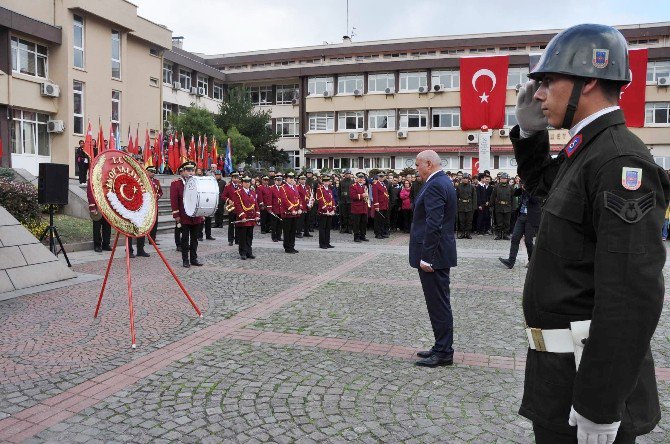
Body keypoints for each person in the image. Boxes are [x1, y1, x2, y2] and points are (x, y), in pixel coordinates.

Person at [511, 24, 670, 443]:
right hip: (560, 378)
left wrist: (600, 405)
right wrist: (530, 135)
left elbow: (631, 296)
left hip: (589, 386)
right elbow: (546, 189)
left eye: (548, 81)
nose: (538, 94)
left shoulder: (618, 159)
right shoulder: (586, 149)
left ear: (590, 79)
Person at [409, 150, 457, 367]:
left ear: (428, 163)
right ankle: (440, 346)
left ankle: (444, 352)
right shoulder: (442, 181)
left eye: (418, 165)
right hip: (438, 253)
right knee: (437, 303)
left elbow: (434, 223)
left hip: (434, 256)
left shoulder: (436, 184)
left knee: (438, 304)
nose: (416, 169)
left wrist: (427, 257)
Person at [170, 161, 204, 268]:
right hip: (184, 217)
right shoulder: (176, 183)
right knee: (185, 239)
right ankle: (185, 259)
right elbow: (174, 201)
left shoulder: (197, 182)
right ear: (182, 171)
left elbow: (201, 197)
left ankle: (194, 258)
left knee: (195, 239)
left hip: (196, 216)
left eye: (192, 170)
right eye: (188, 170)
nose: (190, 172)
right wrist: (176, 215)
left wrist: (202, 212)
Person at [498, 182, 540, 269]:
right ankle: (510, 261)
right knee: (515, 238)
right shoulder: (523, 189)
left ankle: (531, 261)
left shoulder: (537, 189)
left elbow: (535, 200)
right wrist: (521, 188)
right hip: (521, 216)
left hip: (531, 218)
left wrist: (527, 190)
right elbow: (514, 193)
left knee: (528, 241)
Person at [232, 176, 260, 260]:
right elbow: (237, 205)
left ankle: (249, 252)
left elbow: (256, 205)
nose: (247, 183)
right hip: (243, 219)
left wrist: (257, 215)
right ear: (242, 183)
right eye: (245, 182)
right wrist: (242, 216)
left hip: (251, 218)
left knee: (249, 236)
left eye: (248, 182)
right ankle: (243, 252)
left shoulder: (253, 193)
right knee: (242, 237)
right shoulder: (238, 193)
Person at [86, 180, 111, 253]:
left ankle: (106, 244)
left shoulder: (107, 175)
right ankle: (97, 245)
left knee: (107, 226)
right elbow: (90, 192)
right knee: (97, 226)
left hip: (107, 205)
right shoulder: (93, 175)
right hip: (97, 205)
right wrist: (92, 206)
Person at [279, 172, 301, 253]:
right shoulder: (283, 188)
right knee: (287, 231)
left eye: (292, 177)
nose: (291, 179)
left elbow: (298, 198)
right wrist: (292, 209)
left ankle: (292, 246)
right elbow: (284, 200)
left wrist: (300, 208)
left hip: (295, 213)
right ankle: (287, 247)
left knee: (293, 231)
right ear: (286, 179)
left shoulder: (295, 187)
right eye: (289, 177)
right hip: (287, 213)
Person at [488, 173, 512, 240]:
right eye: (502, 178)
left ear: (507, 179)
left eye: (505, 178)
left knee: (507, 222)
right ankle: (499, 234)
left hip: (508, 207)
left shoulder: (510, 187)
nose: (503, 179)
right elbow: (493, 196)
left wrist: (513, 207)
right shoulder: (496, 187)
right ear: (500, 179)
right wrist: (491, 205)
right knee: (499, 222)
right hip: (499, 206)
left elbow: (512, 197)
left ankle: (505, 234)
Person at [315, 175, 336, 249]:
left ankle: (327, 243)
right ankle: (322, 243)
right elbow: (320, 200)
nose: (326, 183)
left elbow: (332, 200)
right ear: (323, 182)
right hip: (323, 211)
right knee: (322, 228)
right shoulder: (320, 189)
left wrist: (333, 209)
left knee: (328, 228)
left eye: (328, 181)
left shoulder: (330, 190)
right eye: (325, 181)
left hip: (330, 211)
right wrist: (326, 209)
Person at [455, 173, 477, 239]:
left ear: (468, 179)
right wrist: (456, 205)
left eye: (466, 178)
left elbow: (474, 197)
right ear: (462, 179)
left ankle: (468, 233)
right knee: (462, 221)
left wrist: (474, 207)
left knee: (469, 221)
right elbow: (456, 196)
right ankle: (462, 233)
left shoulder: (472, 187)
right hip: (461, 205)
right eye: (464, 178)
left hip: (469, 206)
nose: (465, 180)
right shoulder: (459, 186)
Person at [222, 172, 241, 246]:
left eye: (237, 178)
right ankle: (230, 240)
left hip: (239, 208)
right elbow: (223, 196)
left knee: (238, 224)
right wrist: (228, 200)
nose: (236, 179)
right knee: (231, 224)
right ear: (232, 178)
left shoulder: (240, 186)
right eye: (234, 178)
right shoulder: (228, 186)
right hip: (231, 208)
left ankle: (237, 239)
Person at [349, 172, 369, 242]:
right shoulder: (353, 186)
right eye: (359, 178)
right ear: (357, 179)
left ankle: (363, 236)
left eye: (362, 178)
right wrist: (362, 195)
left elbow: (367, 197)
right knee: (356, 223)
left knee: (364, 222)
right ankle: (356, 237)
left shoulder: (365, 186)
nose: (361, 179)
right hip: (356, 207)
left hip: (364, 207)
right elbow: (352, 196)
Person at [372, 172, 390, 238]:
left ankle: (382, 232)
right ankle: (378, 233)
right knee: (378, 220)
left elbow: (386, 194)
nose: (381, 178)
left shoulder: (384, 184)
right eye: (380, 176)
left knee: (383, 220)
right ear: (378, 177)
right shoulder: (375, 184)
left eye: (382, 176)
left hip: (384, 204)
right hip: (379, 205)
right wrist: (376, 206)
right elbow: (375, 196)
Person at [268, 174, 283, 242]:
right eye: (277, 180)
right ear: (275, 181)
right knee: (274, 224)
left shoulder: (282, 188)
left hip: (281, 209)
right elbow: (269, 199)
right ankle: (274, 237)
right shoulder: (271, 188)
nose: (279, 182)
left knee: (280, 224)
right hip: (274, 209)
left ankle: (279, 236)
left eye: (280, 180)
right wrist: (269, 208)